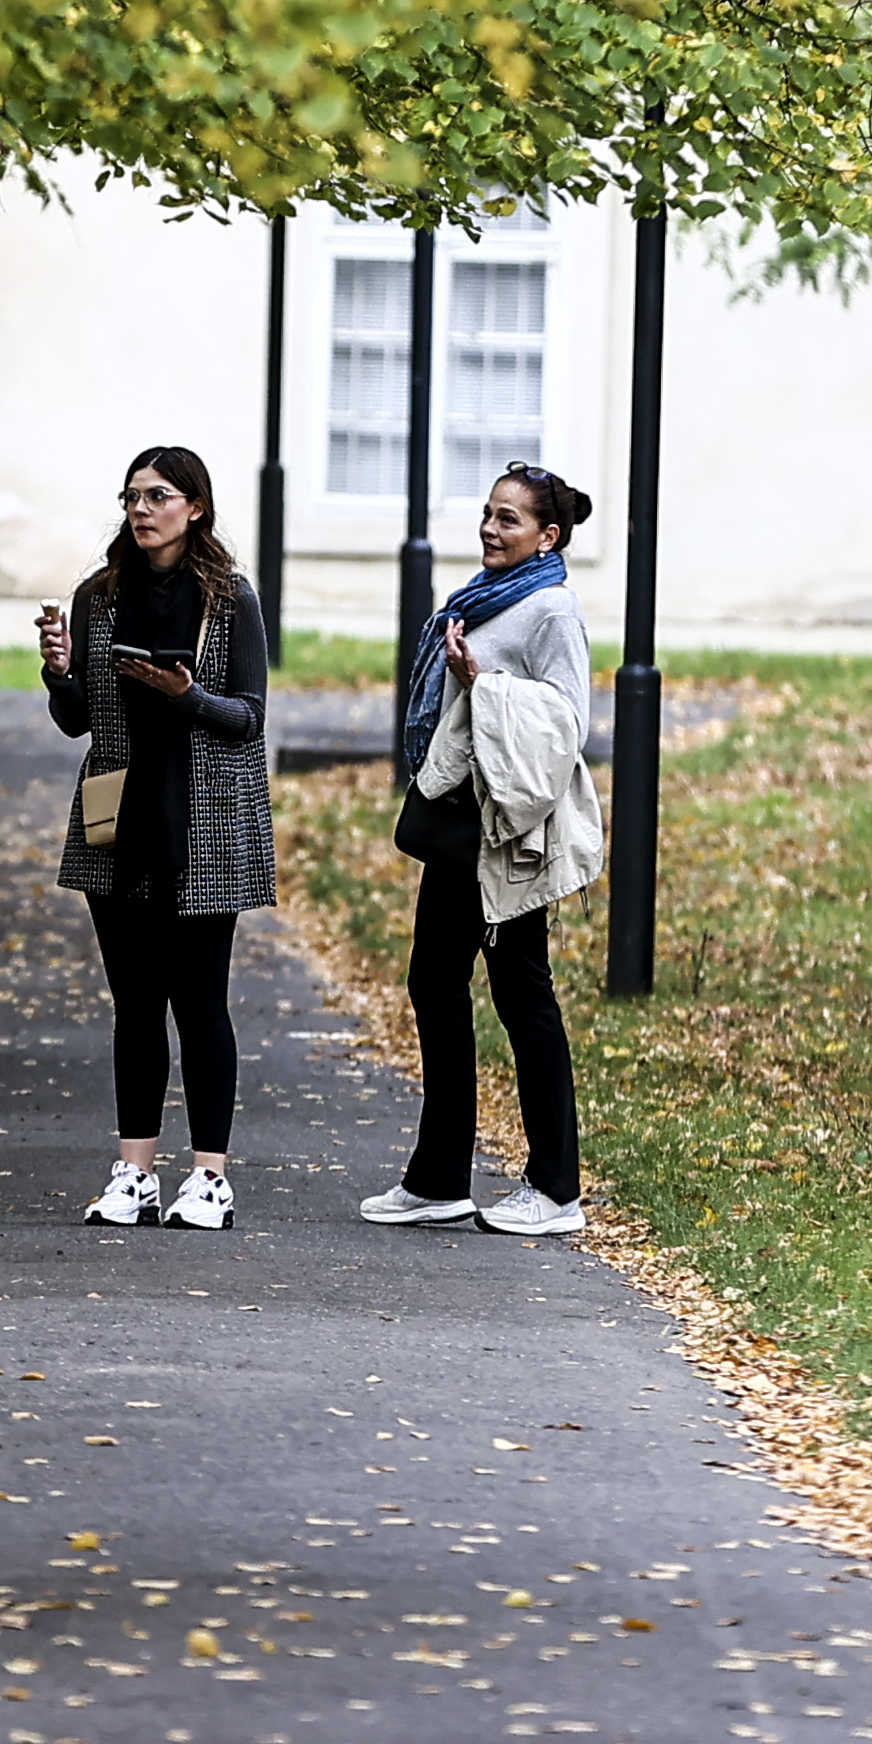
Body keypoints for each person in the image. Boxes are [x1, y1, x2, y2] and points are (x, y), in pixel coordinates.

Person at [363, 465, 605, 1237]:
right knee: (434, 982)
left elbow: (569, 724)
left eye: (508, 519)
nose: (491, 530)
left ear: (548, 536)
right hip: (457, 828)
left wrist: (483, 681)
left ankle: (556, 1188)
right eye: (488, 515)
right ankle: (439, 1180)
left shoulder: (551, 611)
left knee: (522, 995)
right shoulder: (479, 596)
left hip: (507, 834)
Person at [34, 445, 272, 1229]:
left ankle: (209, 1177)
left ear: (194, 507)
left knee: (200, 1001)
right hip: (114, 809)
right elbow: (79, 721)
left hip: (202, 810)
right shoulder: (97, 597)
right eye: (132, 496)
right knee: (134, 1003)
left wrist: (187, 696)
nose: (140, 509)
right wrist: (58, 671)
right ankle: (134, 1172)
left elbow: (248, 718)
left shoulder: (230, 599)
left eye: (158, 496)